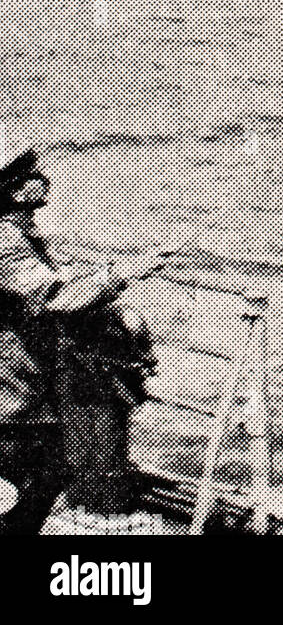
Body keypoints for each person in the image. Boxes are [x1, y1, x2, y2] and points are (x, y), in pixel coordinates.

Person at [0, 149, 165, 533]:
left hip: (22, 384)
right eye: (32, 175)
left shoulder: (21, 234)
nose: (44, 179)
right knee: (48, 465)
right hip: (9, 388)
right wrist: (124, 273)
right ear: (15, 190)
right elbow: (58, 298)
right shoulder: (4, 240)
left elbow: (51, 279)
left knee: (49, 466)